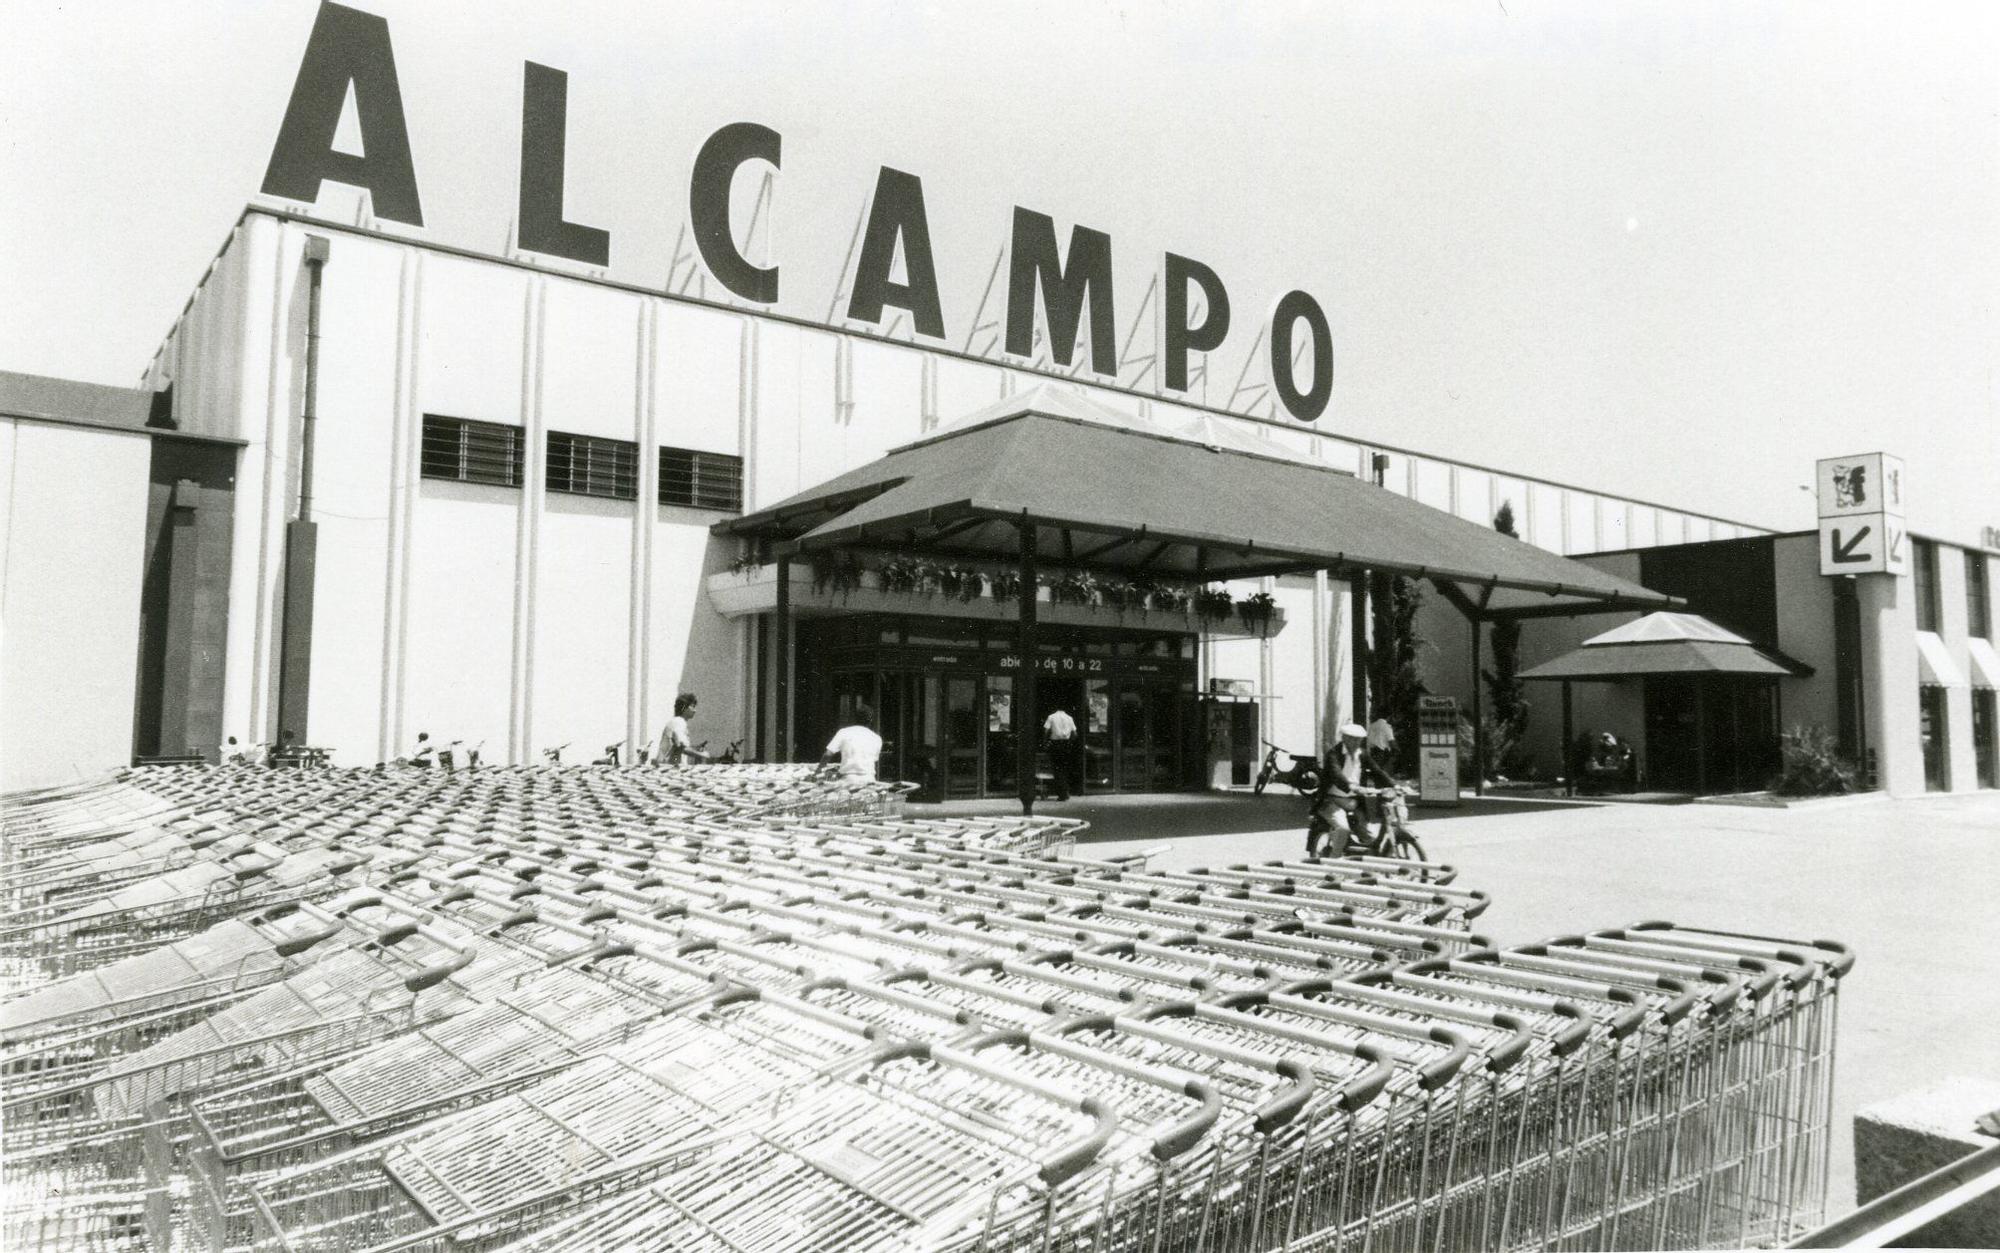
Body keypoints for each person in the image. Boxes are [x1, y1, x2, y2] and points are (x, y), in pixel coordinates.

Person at [1307, 722, 1395, 857]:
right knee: (1343, 829)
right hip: (1331, 800)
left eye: (1358, 739)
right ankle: (1332, 864)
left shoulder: (1362, 754)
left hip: (1353, 802)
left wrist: (1393, 785)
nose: (1355, 742)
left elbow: (1377, 771)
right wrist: (1351, 786)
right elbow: (1336, 774)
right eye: (1352, 738)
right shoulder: (1333, 754)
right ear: (1344, 738)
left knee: (1369, 836)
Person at [821, 704, 883, 782]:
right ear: (871, 720)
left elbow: (828, 754)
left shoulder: (844, 732)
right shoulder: (876, 738)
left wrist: (819, 770)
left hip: (849, 779)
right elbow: (873, 760)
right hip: (869, 778)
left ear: (854, 718)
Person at [1042, 704, 1079, 801]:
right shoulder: (1069, 718)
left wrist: (1045, 742)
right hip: (1066, 744)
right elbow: (1075, 734)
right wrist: (1070, 742)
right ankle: (1065, 791)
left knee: (1057, 768)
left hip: (1055, 744)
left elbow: (1046, 731)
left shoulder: (1051, 717)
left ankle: (1062, 793)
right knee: (1064, 768)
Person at [660, 694, 708, 765]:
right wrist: (702, 755)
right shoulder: (678, 722)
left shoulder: (678, 722)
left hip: (670, 766)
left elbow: (678, 747)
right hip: (668, 767)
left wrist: (695, 748)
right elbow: (682, 747)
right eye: (692, 707)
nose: (695, 710)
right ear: (684, 708)